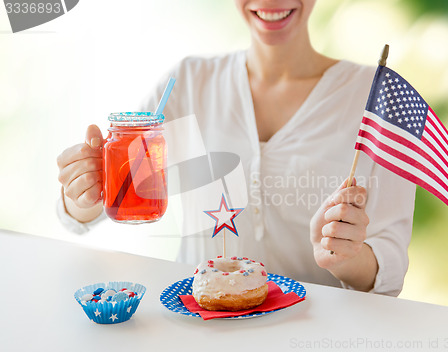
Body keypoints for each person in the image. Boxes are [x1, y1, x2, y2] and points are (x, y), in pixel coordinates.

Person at [57, 0, 415, 296]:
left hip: (314, 332)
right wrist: (86, 189)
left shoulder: (374, 99)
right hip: (200, 330)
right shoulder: (189, 83)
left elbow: (390, 272)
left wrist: (346, 257)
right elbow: (99, 205)